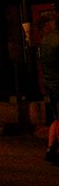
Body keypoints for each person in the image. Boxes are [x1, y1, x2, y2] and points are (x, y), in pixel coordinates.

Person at [39, 17, 59, 165]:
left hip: (50, 84)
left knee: (56, 118)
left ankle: (51, 149)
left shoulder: (45, 41)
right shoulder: (57, 40)